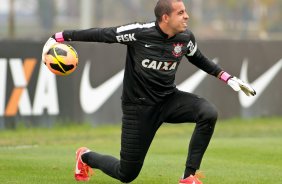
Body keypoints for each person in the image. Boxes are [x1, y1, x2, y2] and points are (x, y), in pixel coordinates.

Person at [42, 0, 256, 183]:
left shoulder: (185, 38)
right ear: (165, 17)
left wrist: (227, 78)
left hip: (169, 100)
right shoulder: (139, 33)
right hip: (139, 107)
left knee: (208, 113)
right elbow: (103, 34)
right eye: (180, 13)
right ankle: (85, 156)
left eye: (185, 11)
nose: (187, 16)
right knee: (126, 174)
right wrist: (60, 36)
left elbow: (198, 58)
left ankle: (188, 177)